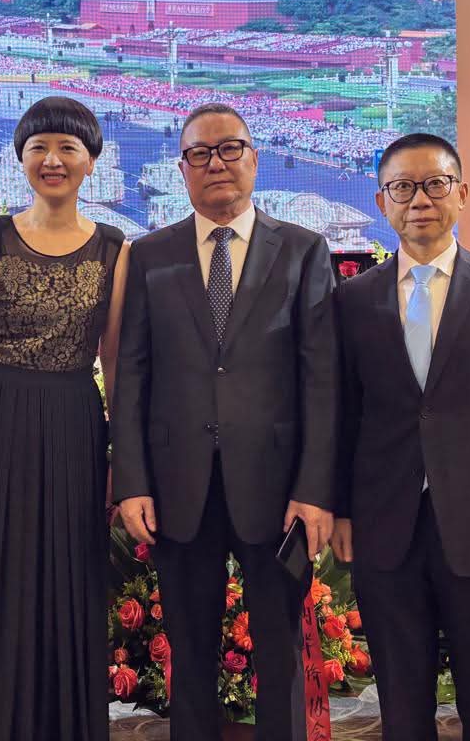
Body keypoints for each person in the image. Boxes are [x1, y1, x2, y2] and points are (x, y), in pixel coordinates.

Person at [111, 102, 338, 741]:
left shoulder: (302, 250)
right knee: (190, 656)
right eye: (200, 153)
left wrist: (315, 490)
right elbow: (132, 377)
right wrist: (131, 481)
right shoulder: (150, 255)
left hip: (277, 492)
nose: (216, 163)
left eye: (230, 148)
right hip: (177, 487)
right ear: (181, 168)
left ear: (254, 159)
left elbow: (322, 383)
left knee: (281, 653)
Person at [331, 133, 470, 741]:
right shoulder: (352, 300)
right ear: (383, 202)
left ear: (461, 193)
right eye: (403, 188)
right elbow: (343, 414)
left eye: (434, 184)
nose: (420, 200)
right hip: (385, 524)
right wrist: (344, 511)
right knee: (402, 707)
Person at [0, 96, 129, 740]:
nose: (53, 159)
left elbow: (116, 366)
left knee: (65, 596)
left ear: (91, 163)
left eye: (69, 148)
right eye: (40, 146)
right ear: (20, 158)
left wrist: (120, 461)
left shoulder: (115, 250)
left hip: (74, 427)